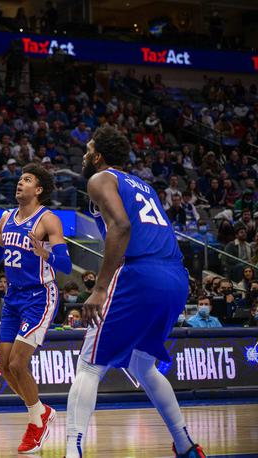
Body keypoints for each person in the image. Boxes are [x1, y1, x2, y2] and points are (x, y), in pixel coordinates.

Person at [65, 126, 204, 458]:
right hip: (174, 277)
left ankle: (72, 452)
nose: (84, 155)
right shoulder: (144, 186)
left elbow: (122, 226)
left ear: (98, 156)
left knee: (88, 365)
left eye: (88, 150)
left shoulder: (100, 179)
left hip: (140, 273)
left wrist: (99, 288)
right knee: (144, 367)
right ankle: (185, 445)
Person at [0, 162, 71, 454]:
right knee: (4, 366)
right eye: (19, 179)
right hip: (13, 297)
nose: (20, 183)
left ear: (39, 189)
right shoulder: (6, 218)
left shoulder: (48, 220)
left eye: (27, 179)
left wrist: (44, 251)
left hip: (39, 296)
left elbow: (67, 265)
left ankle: (36, 422)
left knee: (19, 363)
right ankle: (41, 411)